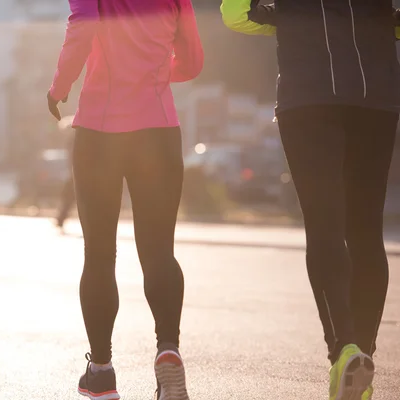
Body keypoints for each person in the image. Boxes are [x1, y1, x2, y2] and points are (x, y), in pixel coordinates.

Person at [221, 1, 400, 399]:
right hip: (376, 91)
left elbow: (235, 12)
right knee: (367, 230)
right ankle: (363, 358)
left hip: (310, 90)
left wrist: (287, 18)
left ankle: (344, 351)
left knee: (324, 226)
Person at [47, 0, 204, 398]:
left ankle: (101, 371)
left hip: (100, 130)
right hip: (159, 130)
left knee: (99, 254)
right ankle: (168, 349)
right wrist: (153, 73)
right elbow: (193, 60)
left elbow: (83, 25)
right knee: (159, 252)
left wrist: (59, 87)